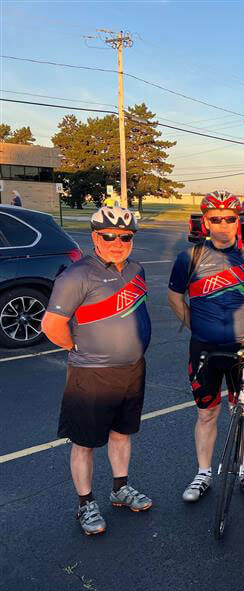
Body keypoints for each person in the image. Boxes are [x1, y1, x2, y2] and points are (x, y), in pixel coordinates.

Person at [41, 203, 152, 535]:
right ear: (95, 236)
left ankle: (120, 488)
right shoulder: (76, 275)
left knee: (122, 434)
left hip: (132, 369)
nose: (117, 242)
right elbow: (52, 325)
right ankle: (85, 503)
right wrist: (77, 348)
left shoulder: (136, 270)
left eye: (125, 236)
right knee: (85, 442)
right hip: (91, 374)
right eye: (109, 236)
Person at [167, 191, 244, 503]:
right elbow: (174, 296)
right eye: (216, 219)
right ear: (206, 222)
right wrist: (193, 322)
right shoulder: (190, 257)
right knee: (206, 413)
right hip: (203, 348)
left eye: (230, 218)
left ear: (237, 221)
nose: (223, 224)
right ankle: (203, 473)